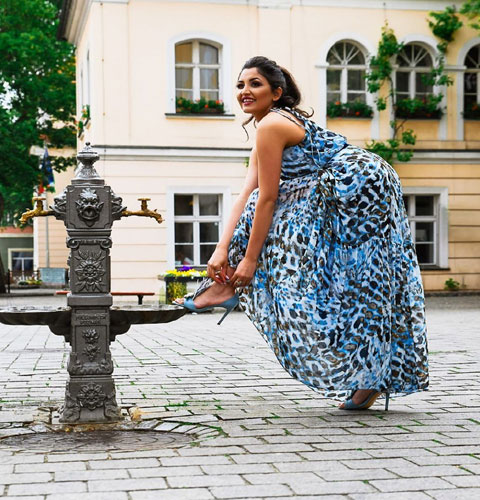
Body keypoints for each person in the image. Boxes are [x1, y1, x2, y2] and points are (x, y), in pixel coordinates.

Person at [176, 56, 429, 410]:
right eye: (240, 85)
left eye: (255, 84)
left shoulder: (272, 125)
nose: (244, 91)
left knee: (359, 282)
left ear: (277, 92)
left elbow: (266, 199)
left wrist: (249, 261)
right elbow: (246, 193)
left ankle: (228, 284)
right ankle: (368, 381)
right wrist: (220, 252)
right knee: (357, 286)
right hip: (343, 188)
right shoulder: (268, 128)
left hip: (357, 186)